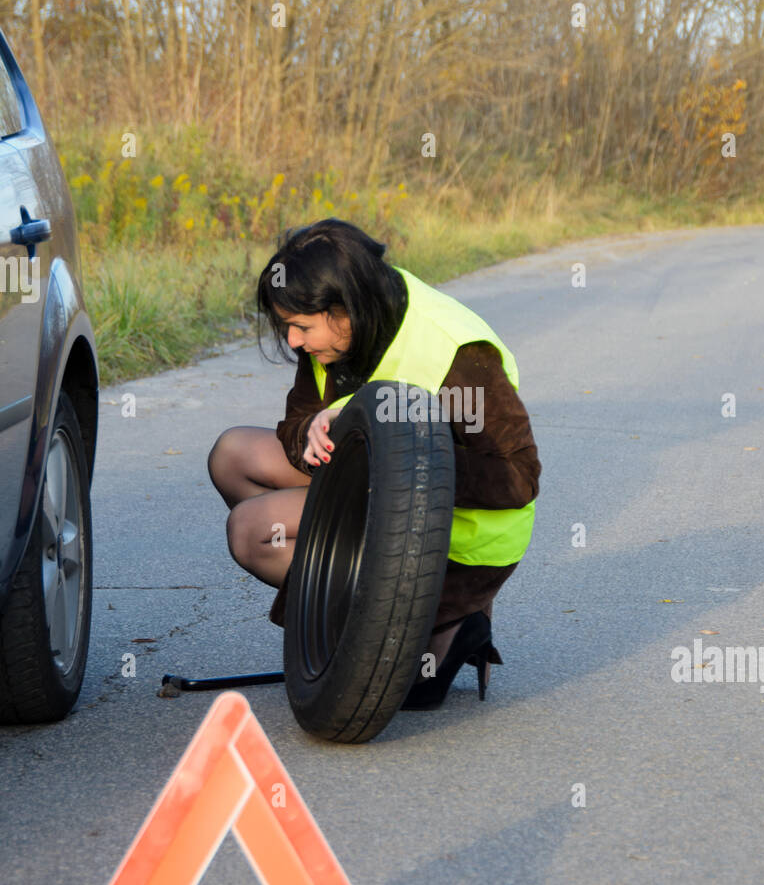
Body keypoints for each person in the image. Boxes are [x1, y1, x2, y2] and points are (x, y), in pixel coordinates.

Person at [208, 218, 541, 710]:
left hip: (459, 536)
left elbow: (519, 478)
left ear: (345, 308)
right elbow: (296, 417)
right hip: (370, 487)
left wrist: (407, 457)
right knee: (233, 454)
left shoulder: (456, 351)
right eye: (287, 328)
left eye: (301, 327)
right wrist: (312, 430)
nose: (295, 342)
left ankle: (440, 617)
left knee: (251, 531)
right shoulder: (344, 324)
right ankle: (361, 610)